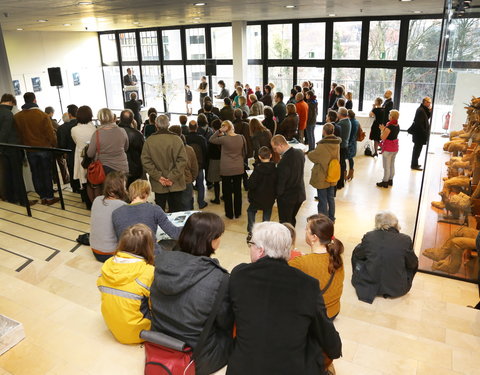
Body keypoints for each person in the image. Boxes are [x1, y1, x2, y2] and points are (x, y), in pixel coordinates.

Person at [228, 221, 342, 375]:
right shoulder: (308, 285)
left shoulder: (239, 275)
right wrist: (335, 349)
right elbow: (326, 333)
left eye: (251, 244)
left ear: (260, 250)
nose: (250, 248)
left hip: (243, 368)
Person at [151, 212, 234, 375]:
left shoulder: (161, 262)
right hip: (196, 356)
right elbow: (225, 322)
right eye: (219, 236)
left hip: (159, 342)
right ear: (211, 240)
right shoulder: (219, 278)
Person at [97, 223, 155, 344]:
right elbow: (154, 306)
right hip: (138, 333)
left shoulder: (108, 264)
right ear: (148, 247)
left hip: (112, 327)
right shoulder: (148, 271)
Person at [352, 211, 418, 304]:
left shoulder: (369, 236)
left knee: (357, 251)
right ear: (395, 223)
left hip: (368, 285)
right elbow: (412, 263)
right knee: (409, 259)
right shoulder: (405, 239)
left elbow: (359, 255)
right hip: (398, 288)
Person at [289, 214, 345, 319]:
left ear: (314, 237)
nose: (304, 232)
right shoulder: (336, 257)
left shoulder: (301, 262)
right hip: (333, 311)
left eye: (306, 229)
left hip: (316, 318)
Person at [14, 92, 59, 205]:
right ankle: (49, 197)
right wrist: (54, 145)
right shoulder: (42, 115)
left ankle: (42, 196)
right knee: (46, 173)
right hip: (44, 148)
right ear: (34, 100)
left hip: (29, 149)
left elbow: (18, 134)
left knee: (35, 173)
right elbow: (50, 134)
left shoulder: (18, 116)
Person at [112, 179, 181, 251]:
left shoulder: (116, 213)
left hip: (126, 253)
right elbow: (174, 233)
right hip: (150, 254)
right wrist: (189, 226)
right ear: (146, 194)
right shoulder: (154, 209)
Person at [141, 114, 187, 212]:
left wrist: (158, 177)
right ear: (168, 124)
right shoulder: (177, 139)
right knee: (177, 212)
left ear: (156, 125)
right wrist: (171, 177)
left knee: (160, 212)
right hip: (176, 183)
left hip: (159, 184)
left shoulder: (149, 141)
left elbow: (145, 161)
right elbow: (182, 160)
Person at [209, 120, 246, 219]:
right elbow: (244, 152)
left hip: (226, 169)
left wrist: (219, 131)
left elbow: (211, 139)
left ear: (224, 128)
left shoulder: (223, 139)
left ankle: (229, 214)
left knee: (227, 192)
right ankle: (237, 213)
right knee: (238, 191)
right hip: (238, 168)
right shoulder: (241, 137)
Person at [0, 94, 32, 206]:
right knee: (18, 176)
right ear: (11, 102)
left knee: (7, 175)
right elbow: (5, 133)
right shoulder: (8, 114)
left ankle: (11, 198)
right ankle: (24, 201)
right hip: (12, 149)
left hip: (4, 151)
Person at [90, 171, 129, 262]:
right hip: (110, 253)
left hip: (95, 250)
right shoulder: (121, 205)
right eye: (124, 186)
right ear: (120, 188)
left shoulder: (97, 199)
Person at [307, 123, 341, 222]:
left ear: (324, 131)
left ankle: (323, 220)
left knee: (322, 198)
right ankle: (331, 217)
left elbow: (312, 156)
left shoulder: (322, 145)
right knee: (331, 197)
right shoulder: (337, 143)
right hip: (333, 173)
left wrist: (310, 152)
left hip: (323, 174)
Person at [271, 135, 306, 227]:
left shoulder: (283, 163)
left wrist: (276, 196)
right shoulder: (300, 153)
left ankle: (287, 240)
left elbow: (281, 184)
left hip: (287, 198)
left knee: (285, 223)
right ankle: (292, 238)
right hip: (300, 194)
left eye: (275, 148)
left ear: (281, 145)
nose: (275, 151)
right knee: (292, 219)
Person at [87, 108, 129, 175]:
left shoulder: (97, 134)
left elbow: (90, 154)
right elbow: (126, 147)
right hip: (122, 167)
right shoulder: (122, 131)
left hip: (105, 169)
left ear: (99, 118)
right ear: (112, 117)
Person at [246, 146, 277, 235]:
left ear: (259, 157)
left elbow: (250, 185)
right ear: (270, 155)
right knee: (267, 212)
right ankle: (265, 231)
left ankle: (251, 230)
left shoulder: (257, 171)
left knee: (251, 211)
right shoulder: (275, 170)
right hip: (270, 197)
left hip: (257, 197)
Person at [71, 105, 96, 208]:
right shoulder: (94, 128)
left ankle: (88, 203)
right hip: (93, 156)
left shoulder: (74, 129)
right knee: (94, 178)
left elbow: (75, 141)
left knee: (84, 179)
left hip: (81, 156)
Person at [170, 125, 198, 210]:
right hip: (187, 180)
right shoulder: (189, 149)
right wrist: (192, 178)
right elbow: (194, 167)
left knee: (175, 207)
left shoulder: (167, 149)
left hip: (172, 182)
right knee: (187, 206)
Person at [118, 109, 145, 187]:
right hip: (135, 168)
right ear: (132, 119)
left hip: (117, 167)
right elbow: (142, 151)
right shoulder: (137, 134)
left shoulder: (113, 132)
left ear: (120, 118)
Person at [186, 120, 208, 209]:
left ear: (188, 127)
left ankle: (190, 204)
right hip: (199, 165)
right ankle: (201, 202)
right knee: (200, 184)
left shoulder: (186, 138)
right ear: (197, 127)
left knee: (189, 185)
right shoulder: (201, 139)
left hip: (188, 166)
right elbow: (205, 152)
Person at [57, 104, 79, 193]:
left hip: (70, 154)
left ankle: (75, 190)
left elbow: (61, 144)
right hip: (83, 153)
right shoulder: (83, 124)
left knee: (73, 172)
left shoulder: (62, 128)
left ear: (69, 115)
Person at [377, 110, 400, 188]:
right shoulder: (397, 125)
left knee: (386, 166)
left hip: (388, 149)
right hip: (395, 148)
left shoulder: (389, 126)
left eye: (389, 114)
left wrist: (382, 130)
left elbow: (383, 137)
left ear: (392, 117)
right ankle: (390, 180)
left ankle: (385, 181)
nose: (388, 116)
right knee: (392, 165)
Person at [409, 97, 432, 171]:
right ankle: (414, 165)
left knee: (418, 149)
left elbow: (426, 118)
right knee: (417, 150)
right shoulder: (420, 110)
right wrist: (424, 133)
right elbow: (419, 124)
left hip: (420, 134)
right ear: (425, 102)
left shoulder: (423, 109)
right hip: (419, 134)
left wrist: (429, 111)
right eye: (429, 102)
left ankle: (415, 164)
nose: (430, 104)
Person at [336, 107, 351, 190]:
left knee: (340, 165)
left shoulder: (341, 123)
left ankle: (339, 182)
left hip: (341, 146)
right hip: (345, 145)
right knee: (342, 164)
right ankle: (341, 182)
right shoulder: (347, 121)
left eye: (338, 112)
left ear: (340, 114)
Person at [207, 119, 222, 204]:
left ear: (213, 128)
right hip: (224, 160)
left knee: (216, 182)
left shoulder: (213, 139)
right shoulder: (225, 136)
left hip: (215, 161)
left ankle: (217, 198)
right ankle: (225, 196)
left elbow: (209, 152)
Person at [346, 109, 359, 182]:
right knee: (350, 158)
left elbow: (349, 134)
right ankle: (351, 173)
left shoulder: (350, 122)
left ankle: (345, 175)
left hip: (349, 143)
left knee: (345, 158)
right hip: (354, 142)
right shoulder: (356, 121)